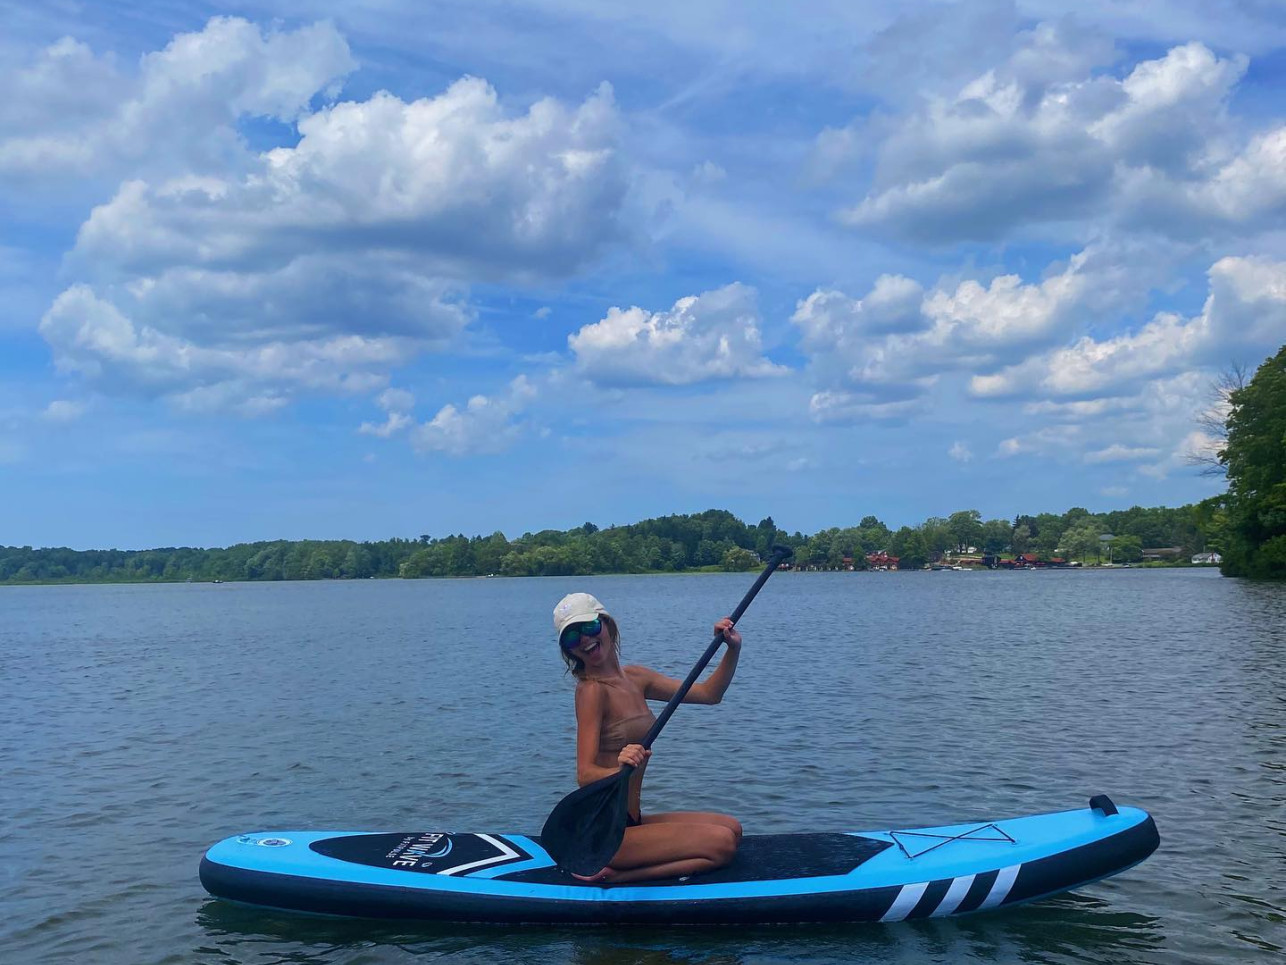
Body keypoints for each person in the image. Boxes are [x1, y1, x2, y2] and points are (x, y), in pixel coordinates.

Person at [552, 591, 744, 883]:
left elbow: (709, 694)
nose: (583, 640)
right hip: (603, 833)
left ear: (606, 624)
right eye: (571, 638)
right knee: (723, 845)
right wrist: (620, 766)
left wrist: (732, 649)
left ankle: (622, 867)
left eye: (588, 627)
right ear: (568, 649)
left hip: (630, 819)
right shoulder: (591, 691)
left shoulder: (636, 677)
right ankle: (615, 876)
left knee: (733, 829)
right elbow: (584, 773)